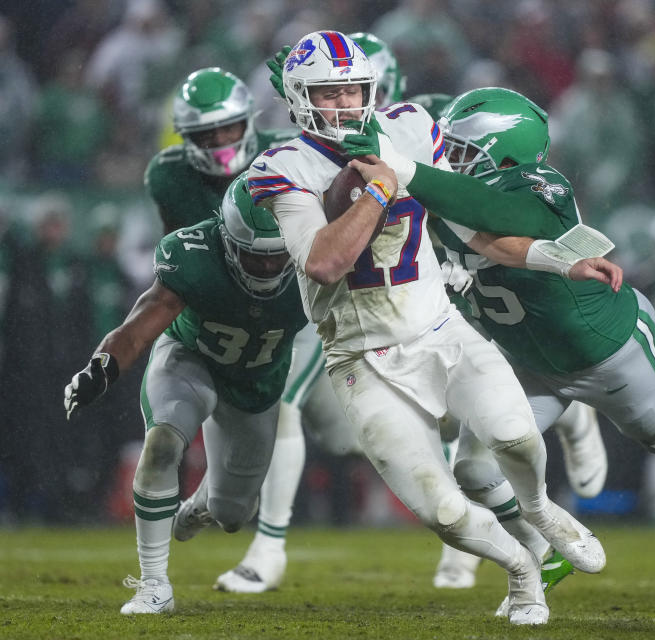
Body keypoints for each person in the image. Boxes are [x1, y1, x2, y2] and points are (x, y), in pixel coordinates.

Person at [246, 30, 616, 625]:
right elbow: (324, 261)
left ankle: (541, 508)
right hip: (360, 356)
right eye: (327, 94)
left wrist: (560, 258)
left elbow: (472, 230)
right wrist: (382, 188)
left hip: (440, 327)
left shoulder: (411, 126)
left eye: (352, 92)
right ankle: (523, 572)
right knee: (443, 513)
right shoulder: (281, 167)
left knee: (517, 437)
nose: (344, 106)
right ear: (298, 98)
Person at [344, 88, 655, 615]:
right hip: (523, 359)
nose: (448, 160)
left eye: (461, 151)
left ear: (505, 156)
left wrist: (407, 173)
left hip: (604, 348)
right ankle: (541, 548)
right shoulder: (446, 196)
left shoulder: (541, 187)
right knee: (476, 470)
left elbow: (492, 214)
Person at [63, 174, 305, 613]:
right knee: (160, 447)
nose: (268, 268)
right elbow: (140, 325)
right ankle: (154, 585)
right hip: (191, 358)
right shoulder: (194, 253)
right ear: (228, 242)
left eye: (277, 257)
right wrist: (101, 367)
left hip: (257, 381)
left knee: (233, 514)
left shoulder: (317, 257)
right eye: (254, 257)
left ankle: (197, 506)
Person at [146, 66, 345, 595]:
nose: (220, 142)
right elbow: (190, 250)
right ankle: (249, 529)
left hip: (292, 300)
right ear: (186, 139)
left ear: (250, 123)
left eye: (229, 129)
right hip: (226, 305)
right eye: (206, 135)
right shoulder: (167, 175)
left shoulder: (288, 154)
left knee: (295, 414)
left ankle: (268, 545)